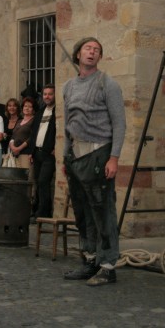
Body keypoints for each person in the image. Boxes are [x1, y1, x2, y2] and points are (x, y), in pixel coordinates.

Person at [63, 37, 126, 286]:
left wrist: (114, 158)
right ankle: (90, 261)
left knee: (103, 212)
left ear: (99, 57)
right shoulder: (68, 87)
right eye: (88, 48)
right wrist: (65, 157)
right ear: (78, 54)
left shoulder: (107, 84)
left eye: (97, 50)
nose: (92, 52)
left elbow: (119, 124)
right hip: (75, 158)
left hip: (100, 155)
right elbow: (68, 124)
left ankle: (108, 266)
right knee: (82, 212)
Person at [30, 84, 56, 220]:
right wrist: (31, 152)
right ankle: (37, 210)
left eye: (50, 94)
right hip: (37, 152)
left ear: (55, 95)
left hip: (49, 154)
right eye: (45, 94)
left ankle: (43, 212)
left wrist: (57, 147)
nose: (47, 96)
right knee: (38, 182)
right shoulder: (40, 112)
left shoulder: (57, 112)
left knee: (43, 181)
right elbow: (34, 133)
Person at [7, 97, 35, 169]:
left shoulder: (34, 120)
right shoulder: (19, 121)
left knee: (25, 174)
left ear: (33, 109)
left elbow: (32, 137)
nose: (27, 108)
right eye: (25, 106)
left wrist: (19, 149)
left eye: (30, 107)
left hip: (26, 154)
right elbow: (13, 136)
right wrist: (12, 147)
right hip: (14, 154)